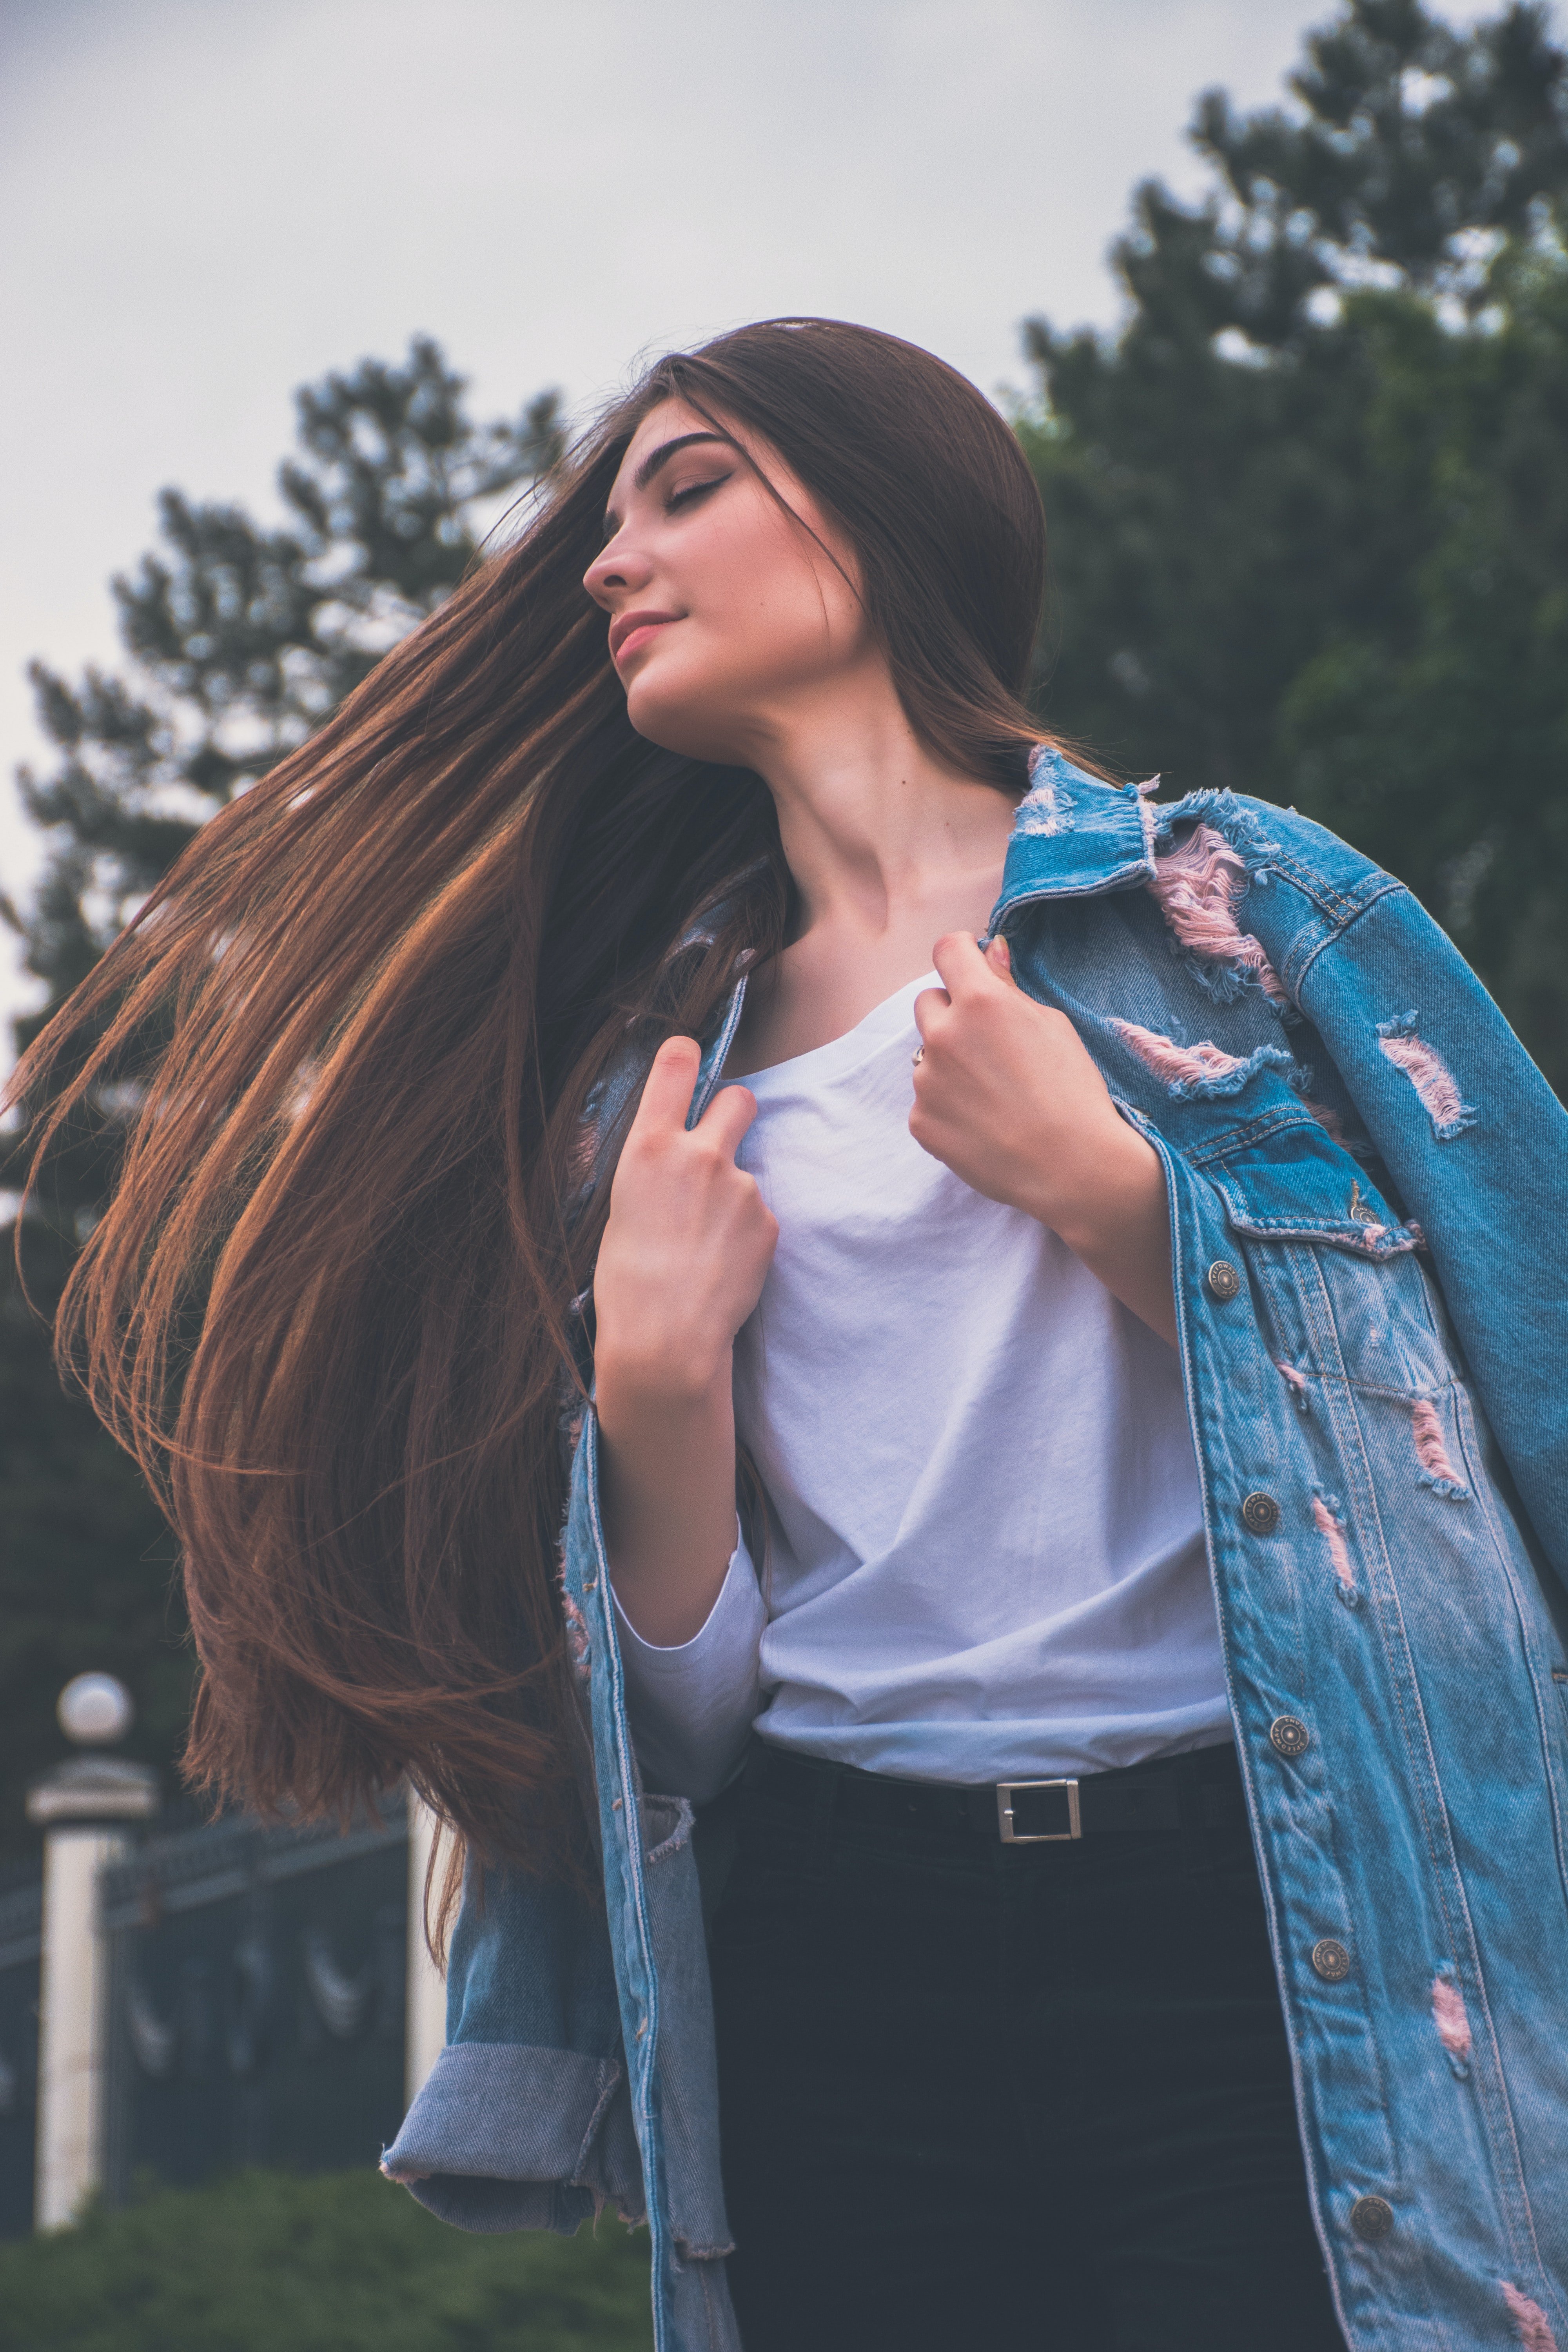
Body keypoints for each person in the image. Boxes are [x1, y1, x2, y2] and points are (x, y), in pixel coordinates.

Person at [15, 320, 1568, 2352]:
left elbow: (1521, 1387)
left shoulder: (1244, 917)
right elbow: (682, 1729)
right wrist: (654, 1387)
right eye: (614, 513)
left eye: (687, 488)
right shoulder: (641, 1092)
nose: (607, 560)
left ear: (884, 515)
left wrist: (1119, 1202)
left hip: (1273, 1919)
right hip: (839, 1950)